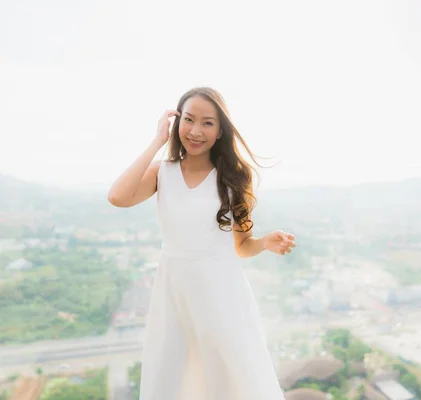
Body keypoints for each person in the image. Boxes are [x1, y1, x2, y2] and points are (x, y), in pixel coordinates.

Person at [107, 87, 295, 399]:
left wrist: (264, 243)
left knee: (231, 380)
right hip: (173, 294)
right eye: (189, 120)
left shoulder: (235, 177)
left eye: (207, 123)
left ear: (221, 130)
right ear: (176, 124)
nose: (195, 131)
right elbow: (117, 196)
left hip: (223, 294)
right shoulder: (162, 173)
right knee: (173, 378)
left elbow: (242, 245)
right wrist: (157, 141)